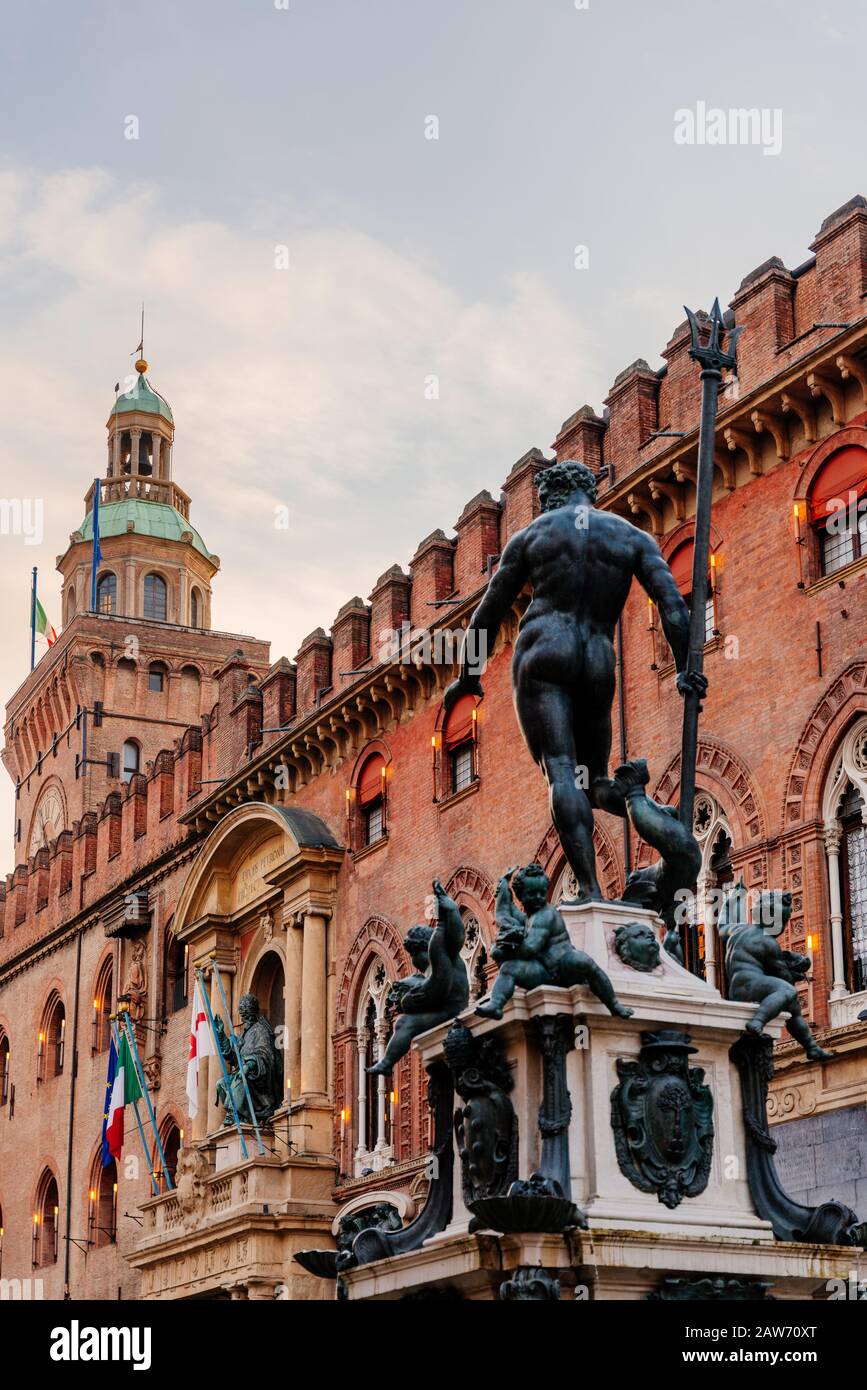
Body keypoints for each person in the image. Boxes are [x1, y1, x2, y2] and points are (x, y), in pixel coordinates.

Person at [445, 459, 707, 903]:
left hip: (544, 654)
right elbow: (674, 608)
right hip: (597, 662)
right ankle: (634, 799)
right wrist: (685, 669)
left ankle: (589, 890)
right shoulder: (630, 537)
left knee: (564, 772)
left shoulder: (533, 536)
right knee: (592, 778)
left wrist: (468, 676)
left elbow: (486, 616)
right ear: (591, 492)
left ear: (548, 497)